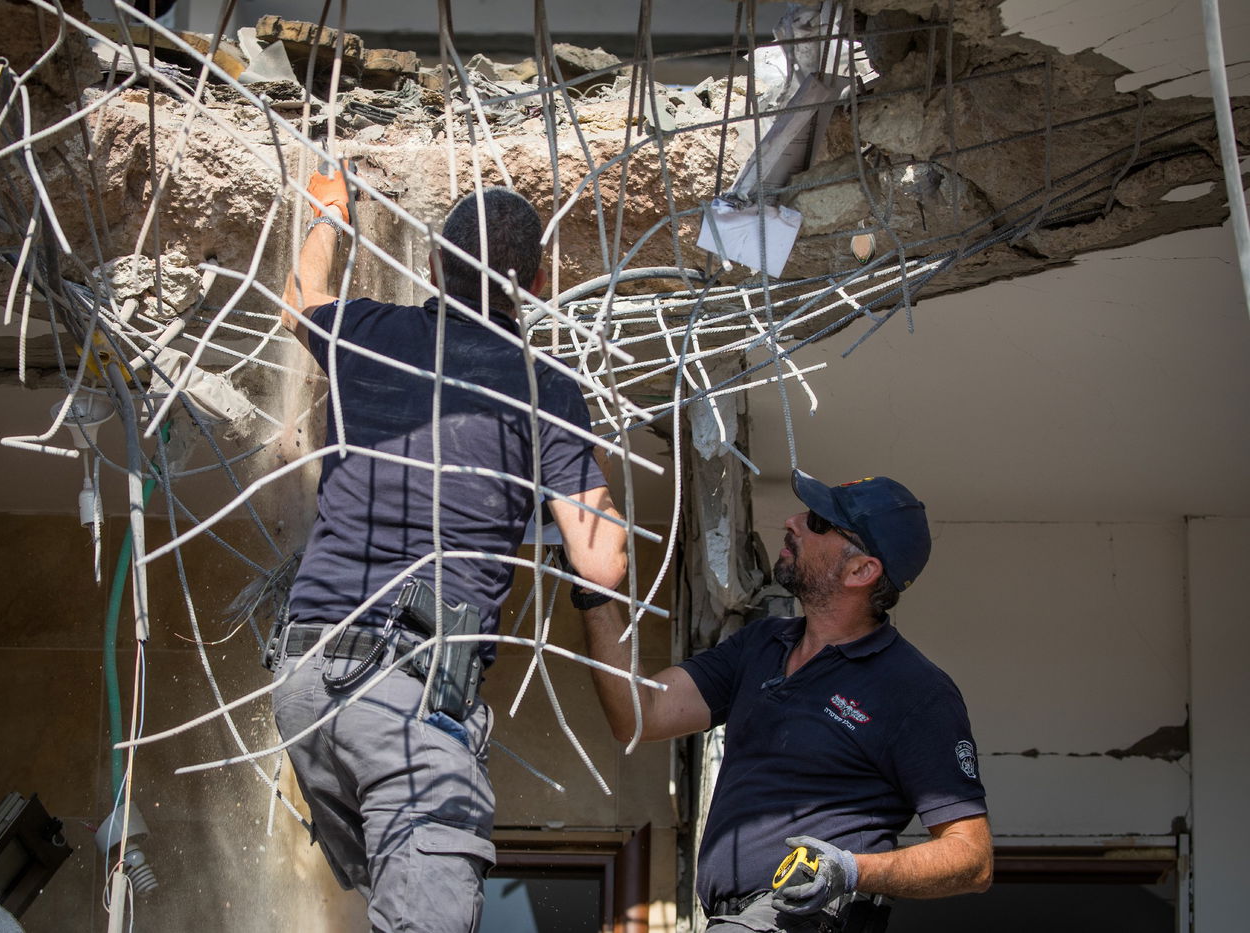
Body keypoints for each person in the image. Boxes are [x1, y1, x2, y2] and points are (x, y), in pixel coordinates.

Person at [270, 165, 628, 932]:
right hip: (408, 699)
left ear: (432, 266)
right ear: (534, 282)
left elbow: (301, 298)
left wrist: (329, 213)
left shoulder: (367, 333)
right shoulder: (544, 385)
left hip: (306, 691)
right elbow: (602, 560)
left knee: (397, 901)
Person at [579, 468, 991, 931]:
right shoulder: (763, 643)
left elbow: (972, 858)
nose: (793, 521)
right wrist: (594, 589)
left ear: (861, 570)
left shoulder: (914, 690)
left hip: (807, 919)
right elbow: (639, 714)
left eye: (817, 522)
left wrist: (851, 870)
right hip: (732, 919)